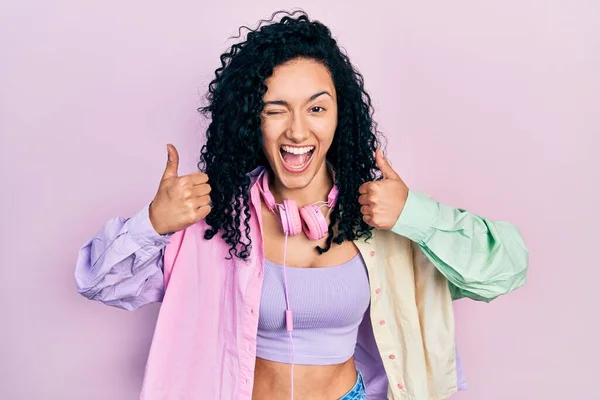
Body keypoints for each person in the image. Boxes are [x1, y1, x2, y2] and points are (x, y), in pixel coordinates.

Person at [74, 10, 529, 400]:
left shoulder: (383, 215)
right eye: (276, 109)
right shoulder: (214, 219)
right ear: (251, 120)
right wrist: (153, 223)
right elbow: (99, 283)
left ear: (339, 115)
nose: (297, 131)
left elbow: (504, 269)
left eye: (316, 108)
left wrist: (416, 214)